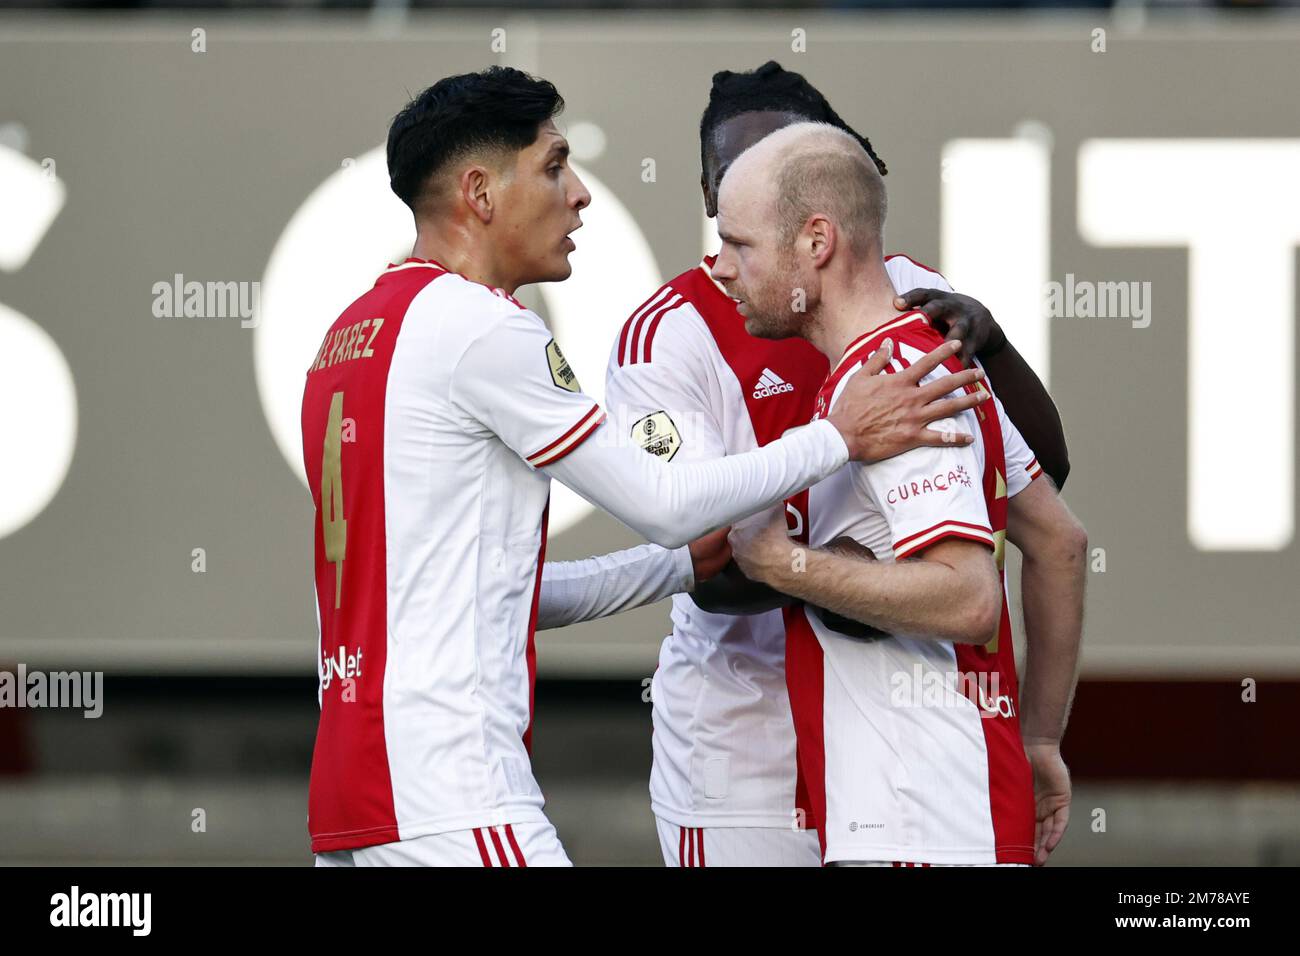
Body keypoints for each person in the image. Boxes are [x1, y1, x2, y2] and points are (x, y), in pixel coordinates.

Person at [302, 66, 987, 867]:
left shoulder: (351, 334)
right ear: (481, 194)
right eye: (554, 165)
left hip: (352, 801)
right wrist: (837, 437)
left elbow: (506, 593)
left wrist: (674, 569)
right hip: (453, 792)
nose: (580, 194)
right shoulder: (483, 329)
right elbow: (665, 502)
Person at [539, 62, 1080, 867]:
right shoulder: (666, 337)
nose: (731, 245)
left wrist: (991, 346)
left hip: (899, 761)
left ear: (820, 218)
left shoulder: (909, 305)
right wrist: (825, 560)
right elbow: (703, 555)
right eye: (732, 187)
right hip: (742, 755)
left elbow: (1038, 507)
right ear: (708, 190)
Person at [716, 121, 1084, 865]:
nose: (720, 267)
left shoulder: (895, 384)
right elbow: (1062, 542)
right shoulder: (929, 368)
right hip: (950, 814)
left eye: (740, 244)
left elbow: (968, 598)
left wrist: (780, 564)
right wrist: (1038, 739)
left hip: (918, 825)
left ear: (816, 243)